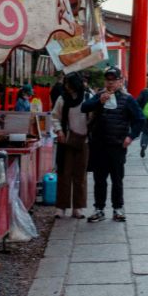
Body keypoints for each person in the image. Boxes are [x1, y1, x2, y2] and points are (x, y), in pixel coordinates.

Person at [81, 66, 143, 222]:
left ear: (120, 81)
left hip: (117, 144)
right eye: (107, 80)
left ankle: (118, 208)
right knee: (99, 179)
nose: (110, 83)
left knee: (117, 179)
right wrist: (98, 102)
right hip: (99, 144)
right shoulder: (99, 96)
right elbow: (84, 107)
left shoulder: (127, 99)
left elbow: (139, 119)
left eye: (113, 80)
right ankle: (99, 209)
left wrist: (130, 136)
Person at [51, 73, 89, 219]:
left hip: (83, 141)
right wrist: (59, 130)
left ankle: (78, 207)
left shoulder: (86, 97)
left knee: (80, 175)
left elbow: (92, 116)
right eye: (66, 85)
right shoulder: (62, 98)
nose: (67, 87)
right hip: (66, 139)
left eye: (69, 85)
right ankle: (61, 206)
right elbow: (55, 116)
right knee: (64, 174)